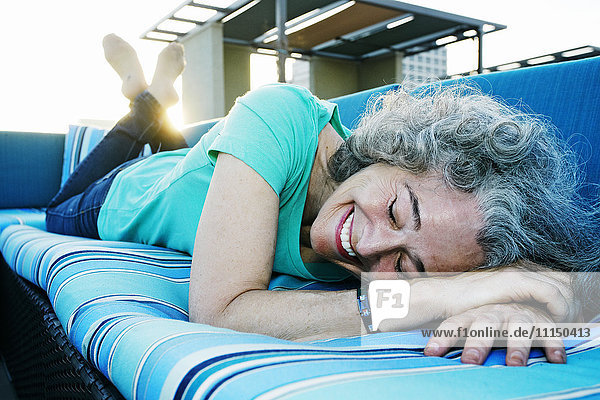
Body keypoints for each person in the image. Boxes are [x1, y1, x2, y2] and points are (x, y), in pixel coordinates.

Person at [46, 34, 599, 367]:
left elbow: (584, 294)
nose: (368, 244)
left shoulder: (419, 254)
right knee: (59, 206)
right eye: (397, 210)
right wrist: (457, 296)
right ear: (400, 148)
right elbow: (220, 312)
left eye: (406, 268)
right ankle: (144, 101)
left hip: (204, 175)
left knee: (191, 161)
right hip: (119, 196)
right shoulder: (279, 113)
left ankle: (164, 114)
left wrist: (522, 297)